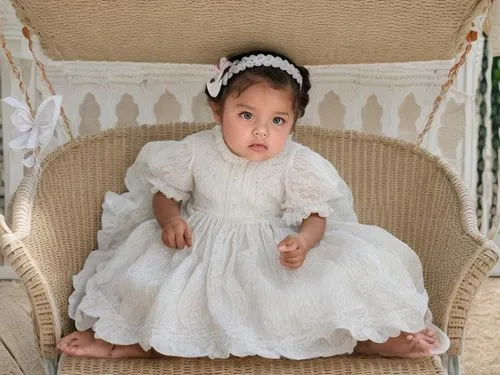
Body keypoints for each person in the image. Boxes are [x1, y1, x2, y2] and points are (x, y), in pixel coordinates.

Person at [58, 50, 449, 359]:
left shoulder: (295, 162)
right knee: (160, 292)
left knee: (312, 300)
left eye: (278, 121)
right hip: (201, 245)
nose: (262, 129)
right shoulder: (195, 150)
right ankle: (127, 343)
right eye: (246, 115)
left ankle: (371, 341)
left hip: (270, 249)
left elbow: (316, 216)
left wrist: (306, 242)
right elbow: (166, 194)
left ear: (293, 122)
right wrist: (170, 220)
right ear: (217, 111)